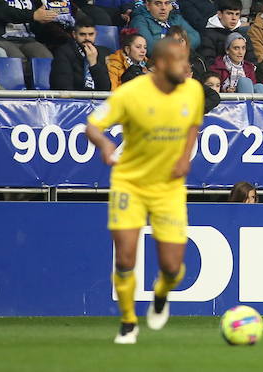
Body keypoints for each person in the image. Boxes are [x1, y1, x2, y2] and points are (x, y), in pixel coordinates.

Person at [84, 36, 204, 344]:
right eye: (180, 61)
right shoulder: (131, 93)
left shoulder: (192, 90)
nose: (186, 67)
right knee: (125, 257)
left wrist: (183, 156)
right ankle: (128, 322)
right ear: (161, 64)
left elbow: (193, 124)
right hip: (130, 183)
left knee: (172, 267)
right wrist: (105, 144)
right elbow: (93, 126)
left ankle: (162, 295)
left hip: (169, 188)